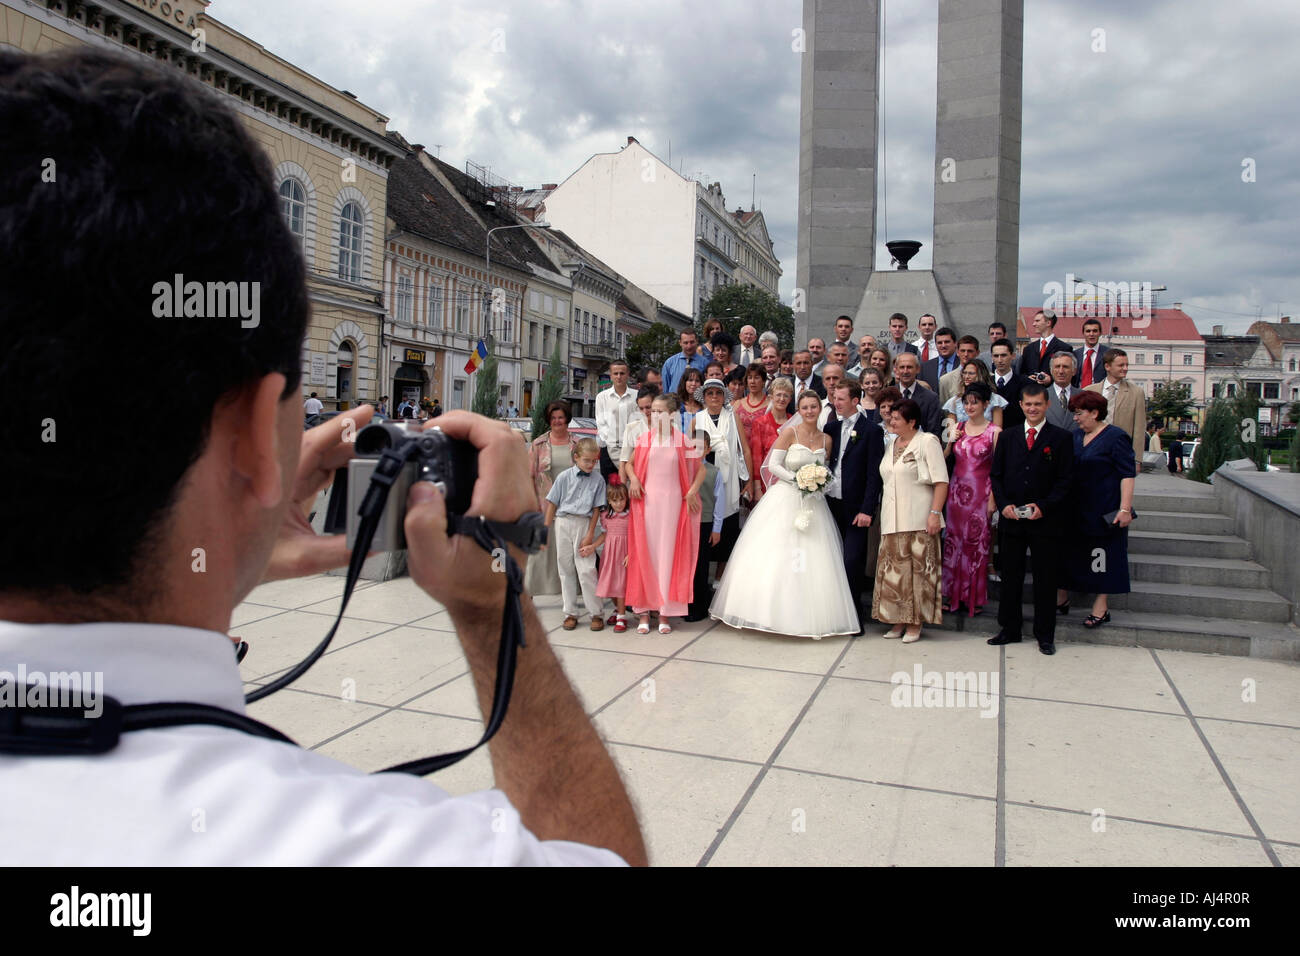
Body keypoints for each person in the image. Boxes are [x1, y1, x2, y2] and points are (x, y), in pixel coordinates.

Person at [0, 46, 643, 867]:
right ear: (255, 431)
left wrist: (216, 548)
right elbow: (604, 858)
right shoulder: (359, 847)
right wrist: (495, 612)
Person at [710, 391, 860, 638]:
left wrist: (820, 483)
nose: (810, 411)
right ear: (798, 410)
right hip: (786, 497)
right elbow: (772, 466)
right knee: (780, 553)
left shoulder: (826, 439)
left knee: (811, 556)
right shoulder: (790, 433)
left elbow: (826, 470)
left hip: (814, 504)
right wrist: (799, 480)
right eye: (805, 407)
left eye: (814, 407)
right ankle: (767, 613)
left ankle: (807, 615)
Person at [988, 384, 1076, 655]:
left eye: (1037, 404)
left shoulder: (1061, 438)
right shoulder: (1008, 436)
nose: (1033, 408)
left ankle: (1044, 634)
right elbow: (997, 475)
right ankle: (1010, 628)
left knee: (1045, 579)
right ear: (1021, 405)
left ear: (1047, 405)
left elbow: (1065, 480)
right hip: (1012, 519)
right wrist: (1003, 505)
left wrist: (1044, 506)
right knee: (1011, 577)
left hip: (1045, 521)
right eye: (1028, 404)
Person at [626, 394, 704, 634]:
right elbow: (629, 464)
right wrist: (634, 479)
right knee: (645, 553)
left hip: (672, 507)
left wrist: (692, 491)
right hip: (647, 505)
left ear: (672, 415)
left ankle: (664, 612)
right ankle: (643, 611)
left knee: (668, 556)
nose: (654, 414)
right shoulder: (644, 439)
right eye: (653, 411)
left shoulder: (682, 441)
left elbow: (701, 470)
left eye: (660, 411)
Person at [872, 399, 949, 642]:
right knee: (895, 574)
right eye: (890, 417)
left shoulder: (927, 442)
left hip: (918, 518)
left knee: (918, 574)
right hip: (892, 518)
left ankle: (915, 623)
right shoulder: (892, 443)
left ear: (912, 421)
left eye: (896, 418)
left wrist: (935, 514)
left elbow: (941, 481)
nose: (891, 421)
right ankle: (898, 620)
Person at [1062, 391, 1136, 629]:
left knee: (1105, 559)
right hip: (1077, 509)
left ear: (1095, 413)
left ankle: (1101, 607)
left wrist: (1125, 508)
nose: (1075, 418)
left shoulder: (1116, 437)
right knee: (1071, 555)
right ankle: (1062, 598)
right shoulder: (1074, 437)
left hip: (1105, 509)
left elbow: (1127, 475)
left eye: (1079, 414)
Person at [824, 380, 885, 635]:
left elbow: (874, 474)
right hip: (830, 504)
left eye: (840, 399)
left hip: (856, 507)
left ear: (855, 401)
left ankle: (852, 616)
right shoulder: (831, 427)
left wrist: (867, 510)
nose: (835, 403)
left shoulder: (871, 430)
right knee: (830, 560)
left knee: (852, 561)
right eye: (834, 398)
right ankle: (831, 613)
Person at [942, 383, 1001, 616]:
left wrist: (993, 499)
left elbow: (998, 468)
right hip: (956, 494)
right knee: (953, 543)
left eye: (975, 402)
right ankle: (951, 594)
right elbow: (943, 456)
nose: (970, 406)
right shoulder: (957, 426)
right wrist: (950, 439)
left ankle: (972, 597)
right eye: (966, 402)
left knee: (976, 544)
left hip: (980, 494)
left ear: (986, 404)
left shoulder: (995, 431)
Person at [543, 437, 607, 631]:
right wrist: (545, 529)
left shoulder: (598, 479)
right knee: (565, 568)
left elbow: (597, 509)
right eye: (587, 460)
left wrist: (590, 534)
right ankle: (570, 612)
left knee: (587, 569)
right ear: (576, 457)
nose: (591, 464)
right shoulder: (564, 477)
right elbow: (553, 503)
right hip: (563, 522)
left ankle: (596, 612)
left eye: (594, 461)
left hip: (584, 523)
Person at [695, 379, 753, 581]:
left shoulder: (732, 417)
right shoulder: (698, 418)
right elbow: (690, 451)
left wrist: (750, 480)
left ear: (723, 396)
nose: (714, 397)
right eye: (710, 393)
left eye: (718, 393)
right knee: (706, 526)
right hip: (705, 480)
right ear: (704, 397)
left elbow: (744, 448)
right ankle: (703, 578)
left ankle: (719, 580)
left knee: (727, 529)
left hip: (729, 479)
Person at [524, 400, 579, 597]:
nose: (557, 421)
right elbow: (528, 476)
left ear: (567, 419)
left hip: (572, 508)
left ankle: (571, 595)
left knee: (569, 555)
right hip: (544, 506)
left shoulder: (577, 444)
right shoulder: (538, 445)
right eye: (553, 418)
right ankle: (528, 592)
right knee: (540, 553)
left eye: (561, 417)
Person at [684, 455, 727, 623]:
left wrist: (717, 528)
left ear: (708, 449)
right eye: (692, 447)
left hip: (704, 522)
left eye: (701, 447)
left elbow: (719, 501)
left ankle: (700, 607)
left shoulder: (713, 472)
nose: (696, 451)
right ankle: (685, 605)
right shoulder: (683, 467)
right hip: (685, 524)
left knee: (701, 566)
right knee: (687, 566)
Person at [1083, 348, 1146, 463]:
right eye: (1121, 365)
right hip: (1092, 452)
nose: (1125, 368)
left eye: (1127, 365)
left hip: (1121, 454)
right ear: (1107, 367)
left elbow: (1139, 429)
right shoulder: (1089, 391)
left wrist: (1137, 460)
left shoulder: (1136, 393)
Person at [596, 477, 631, 632]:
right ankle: (617, 610)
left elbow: (635, 537)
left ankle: (622, 618)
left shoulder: (630, 516)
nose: (618, 503)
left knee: (621, 586)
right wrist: (592, 546)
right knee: (609, 584)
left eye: (621, 500)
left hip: (624, 555)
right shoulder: (606, 516)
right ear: (609, 501)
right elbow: (604, 535)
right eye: (614, 500)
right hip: (609, 556)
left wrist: (631, 554)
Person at [749, 376, 794, 496]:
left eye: (786, 395)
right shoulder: (760, 423)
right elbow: (756, 458)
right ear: (771, 397)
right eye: (778, 395)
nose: (782, 399)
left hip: (789, 481)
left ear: (790, 399)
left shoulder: (794, 423)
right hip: (767, 482)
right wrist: (757, 488)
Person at [595, 358, 636, 479]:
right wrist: (612, 442)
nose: (619, 376)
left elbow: (640, 423)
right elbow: (601, 424)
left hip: (632, 449)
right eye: (615, 373)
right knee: (611, 490)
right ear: (611, 376)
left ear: (627, 375)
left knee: (630, 487)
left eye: (622, 373)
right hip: (609, 449)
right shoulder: (602, 397)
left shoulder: (636, 396)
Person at [943, 360, 1006, 432]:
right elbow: (948, 433)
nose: (966, 376)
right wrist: (953, 434)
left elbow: (997, 430)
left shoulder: (995, 400)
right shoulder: (954, 401)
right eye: (964, 373)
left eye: (971, 373)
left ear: (981, 375)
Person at [891, 353, 943, 435]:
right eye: (902, 367)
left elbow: (934, 432)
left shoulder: (931, 398)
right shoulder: (887, 396)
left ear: (918, 369)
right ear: (896, 370)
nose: (905, 371)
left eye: (909, 367)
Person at [1017, 309, 1074, 384]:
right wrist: (1027, 378)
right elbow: (1021, 374)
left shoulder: (1064, 348)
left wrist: (1051, 380)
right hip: (1032, 391)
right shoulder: (1029, 349)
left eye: (1037, 321)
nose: (1033, 324)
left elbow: (1069, 374)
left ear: (1048, 323)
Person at [618, 385, 658, 490]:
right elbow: (624, 462)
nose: (645, 411)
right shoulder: (632, 428)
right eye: (641, 408)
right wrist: (623, 492)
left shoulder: (669, 427)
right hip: (638, 485)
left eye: (648, 407)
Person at [990, 341, 1026, 430]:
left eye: (1003, 355)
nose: (999, 360)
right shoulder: (984, 384)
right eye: (996, 356)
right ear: (992, 357)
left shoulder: (1025, 383)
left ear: (1013, 356)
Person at [660, 329, 709, 393]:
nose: (689, 346)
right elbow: (665, 388)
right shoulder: (669, 363)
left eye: (692, 342)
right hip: (674, 402)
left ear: (697, 341)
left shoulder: (705, 364)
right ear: (680, 343)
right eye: (686, 343)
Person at [1044, 353, 1082, 435]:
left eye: (1065, 367)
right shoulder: (1041, 396)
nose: (1061, 371)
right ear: (1051, 370)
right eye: (1057, 367)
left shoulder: (1083, 396)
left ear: (1074, 371)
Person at [939, 336, 981, 407]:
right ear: (957, 352)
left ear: (977, 353)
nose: (966, 354)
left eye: (970, 351)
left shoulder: (988, 377)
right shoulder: (945, 380)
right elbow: (944, 408)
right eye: (962, 351)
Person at [1073, 318, 1108, 389]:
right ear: (1083, 333)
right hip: (1078, 395)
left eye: (1095, 331)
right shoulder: (1075, 354)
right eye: (1088, 331)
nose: (1091, 334)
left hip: (1099, 395)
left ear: (1100, 333)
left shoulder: (1108, 353)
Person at [674, 367, 705, 436]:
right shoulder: (676, 403)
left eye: (697, 381)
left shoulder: (705, 406)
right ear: (684, 382)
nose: (693, 384)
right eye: (690, 380)